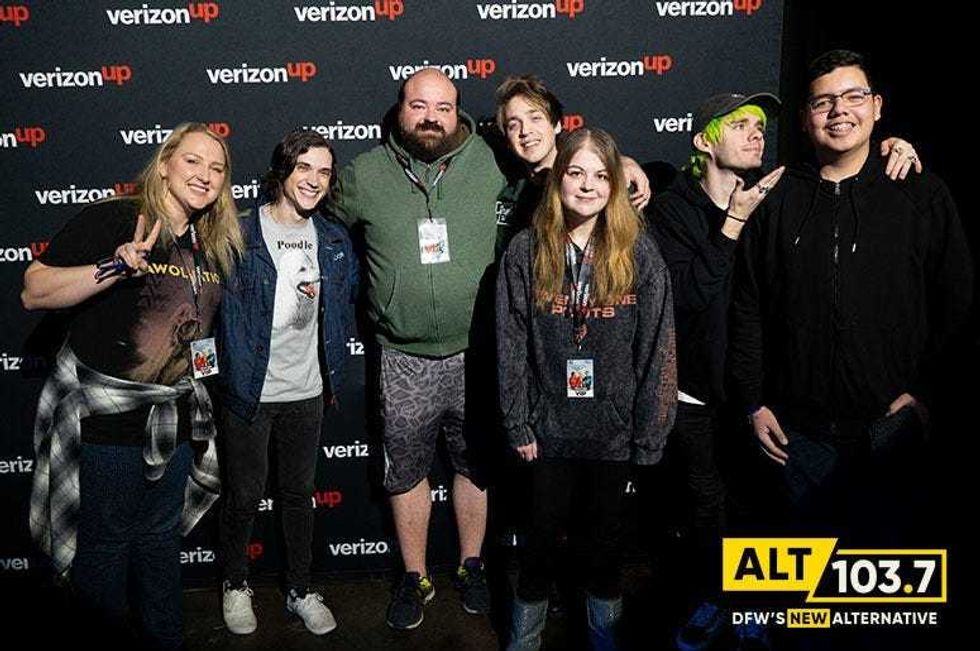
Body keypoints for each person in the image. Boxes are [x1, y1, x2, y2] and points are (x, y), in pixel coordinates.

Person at [730, 49, 973, 547]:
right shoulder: (775, 198)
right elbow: (748, 305)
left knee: (883, 596)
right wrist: (754, 402)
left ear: (877, 107)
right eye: (823, 102)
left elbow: (957, 299)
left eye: (853, 96)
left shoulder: (919, 193)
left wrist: (926, 392)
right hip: (797, 437)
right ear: (804, 119)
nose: (839, 110)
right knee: (805, 597)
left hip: (893, 430)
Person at [22, 123, 243, 649]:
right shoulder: (119, 217)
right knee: (104, 547)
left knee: (160, 543)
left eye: (216, 169)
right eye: (193, 162)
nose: (205, 176)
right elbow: (34, 291)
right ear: (164, 164)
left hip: (177, 421)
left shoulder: (208, 243)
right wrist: (114, 266)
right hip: (108, 424)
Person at [329, 68, 504, 630]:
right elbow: (309, 210)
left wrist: (625, 171)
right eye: (419, 105)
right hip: (402, 354)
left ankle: (472, 564)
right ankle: (414, 575)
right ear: (399, 110)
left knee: (473, 464)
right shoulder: (365, 173)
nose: (431, 117)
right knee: (405, 470)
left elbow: (560, 169)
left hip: (476, 351)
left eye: (443, 107)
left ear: (459, 113)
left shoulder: (492, 160)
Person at [497, 128, 677, 650]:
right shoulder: (526, 250)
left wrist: (648, 433)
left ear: (615, 185)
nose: (587, 185)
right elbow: (510, 342)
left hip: (613, 434)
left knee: (604, 549)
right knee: (538, 548)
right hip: (546, 431)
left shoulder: (638, 251)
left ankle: (605, 639)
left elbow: (658, 346)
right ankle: (523, 641)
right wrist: (517, 420)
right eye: (576, 172)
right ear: (558, 180)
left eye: (601, 175)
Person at [216, 129, 357, 636]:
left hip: (308, 391)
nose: (314, 180)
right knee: (243, 495)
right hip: (250, 392)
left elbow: (342, 308)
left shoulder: (335, 238)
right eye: (305, 168)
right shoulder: (239, 232)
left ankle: (300, 588)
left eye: (324, 171)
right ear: (283, 172)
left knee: (300, 494)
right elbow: (208, 310)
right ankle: (235, 584)